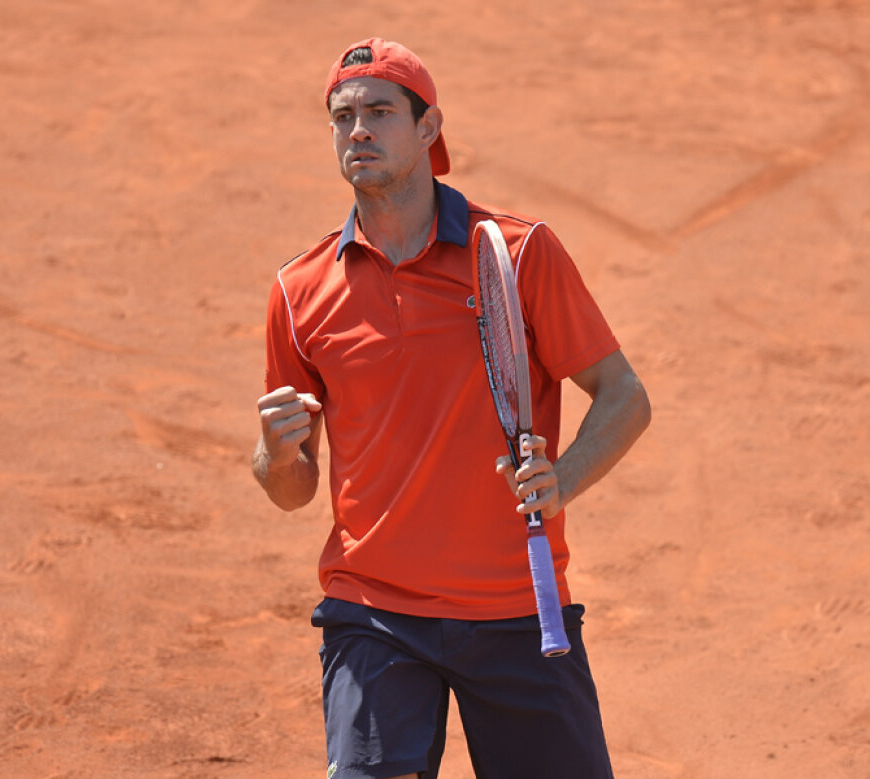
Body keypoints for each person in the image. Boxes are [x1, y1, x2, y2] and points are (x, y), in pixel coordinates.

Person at [252, 37, 651, 779]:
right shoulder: (300, 292)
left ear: (429, 128)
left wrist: (562, 479)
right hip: (375, 608)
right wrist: (274, 455)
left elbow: (624, 395)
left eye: (378, 111)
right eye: (342, 118)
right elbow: (293, 487)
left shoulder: (517, 254)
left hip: (515, 601)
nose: (358, 131)